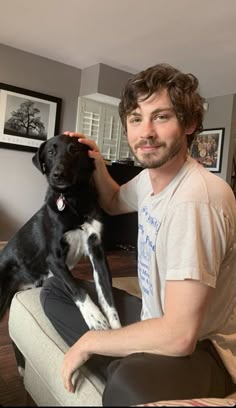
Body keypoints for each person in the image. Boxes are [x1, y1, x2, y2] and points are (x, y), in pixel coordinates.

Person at [40, 63, 236, 406]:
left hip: (206, 351)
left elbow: (179, 336)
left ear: (189, 124)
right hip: (157, 319)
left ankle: (121, 364)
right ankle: (124, 358)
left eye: (161, 117)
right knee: (55, 289)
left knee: (126, 383)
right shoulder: (150, 179)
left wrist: (88, 343)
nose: (145, 132)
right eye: (135, 119)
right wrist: (97, 161)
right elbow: (114, 201)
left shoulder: (196, 201)